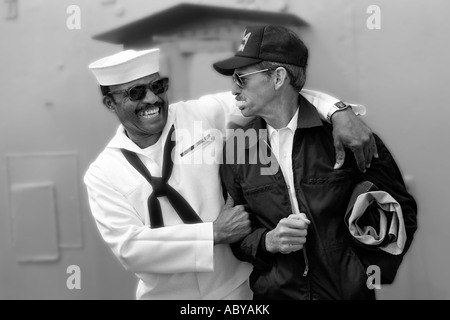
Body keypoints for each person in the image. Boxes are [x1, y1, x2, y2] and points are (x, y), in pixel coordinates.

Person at [84, 45, 377, 300]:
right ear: (111, 103)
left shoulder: (199, 115)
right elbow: (130, 249)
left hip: (238, 291)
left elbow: (273, 93)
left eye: (158, 86)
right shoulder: (103, 173)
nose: (151, 99)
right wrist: (212, 233)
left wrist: (338, 111)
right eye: (136, 92)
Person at [216, 25, 418, 300]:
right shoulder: (238, 148)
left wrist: (360, 276)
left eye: (241, 78)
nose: (233, 90)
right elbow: (238, 236)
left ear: (278, 78)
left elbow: (400, 211)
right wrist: (268, 241)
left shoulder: (347, 137)